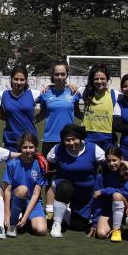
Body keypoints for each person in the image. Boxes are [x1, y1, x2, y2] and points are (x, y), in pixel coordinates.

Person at [47, 124, 104, 238]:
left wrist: (126, 163)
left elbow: (110, 162)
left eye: (74, 139)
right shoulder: (57, 149)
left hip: (85, 192)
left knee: (79, 225)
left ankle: (67, 213)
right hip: (64, 187)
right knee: (66, 187)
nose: (71, 143)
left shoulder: (94, 149)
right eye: (67, 140)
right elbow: (48, 161)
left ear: (80, 138)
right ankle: (57, 224)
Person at [36, 61, 77, 217]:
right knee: (50, 177)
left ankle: (67, 207)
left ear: (67, 75)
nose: (59, 77)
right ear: (52, 76)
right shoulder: (45, 93)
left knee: (69, 174)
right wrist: (27, 123)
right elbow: (40, 113)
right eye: (56, 74)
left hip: (70, 141)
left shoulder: (73, 92)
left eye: (63, 74)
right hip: (50, 140)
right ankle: (50, 211)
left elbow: (79, 113)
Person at [1, 133, 48, 237]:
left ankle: (24, 218)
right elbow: (7, 191)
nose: (28, 150)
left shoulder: (40, 165)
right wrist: (7, 215)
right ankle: (13, 225)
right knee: (23, 189)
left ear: (36, 148)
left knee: (41, 230)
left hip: (31, 201)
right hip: (16, 199)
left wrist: (26, 216)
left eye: (31, 147)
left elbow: (36, 194)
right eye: (25, 147)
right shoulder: (12, 164)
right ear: (20, 148)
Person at [90, 146, 128, 242]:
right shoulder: (101, 177)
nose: (111, 164)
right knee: (101, 234)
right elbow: (97, 200)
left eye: (114, 160)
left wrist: (104, 191)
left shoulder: (127, 173)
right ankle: (116, 226)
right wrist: (95, 222)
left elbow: (124, 193)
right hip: (108, 212)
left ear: (121, 159)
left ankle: (117, 229)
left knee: (117, 195)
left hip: (125, 209)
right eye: (108, 161)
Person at [0, 66, 40, 151]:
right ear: (11, 79)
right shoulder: (2, 95)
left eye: (22, 79)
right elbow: (0, 114)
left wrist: (34, 119)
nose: (19, 82)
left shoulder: (34, 94)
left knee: (30, 164)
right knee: (12, 164)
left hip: (30, 141)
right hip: (11, 141)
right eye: (16, 79)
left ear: (26, 80)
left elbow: (49, 101)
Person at [74, 64, 116, 152]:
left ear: (107, 79)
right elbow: (68, 90)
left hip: (107, 138)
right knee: (89, 165)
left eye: (102, 78)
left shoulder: (114, 94)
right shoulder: (84, 92)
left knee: (108, 165)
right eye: (96, 79)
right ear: (92, 80)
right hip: (88, 137)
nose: (99, 81)